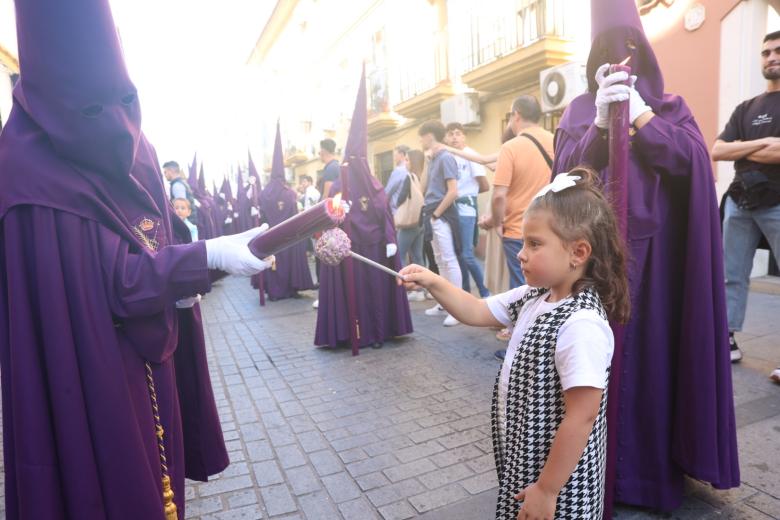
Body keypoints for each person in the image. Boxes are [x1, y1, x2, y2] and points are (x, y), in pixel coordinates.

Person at [0, 0, 274, 517]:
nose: (116, 118)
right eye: (97, 102)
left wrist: (196, 267)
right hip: (84, 369)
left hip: (151, 353)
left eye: (124, 97)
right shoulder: (28, 164)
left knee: (161, 482)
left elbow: (150, 246)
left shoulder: (133, 145)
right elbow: (111, 282)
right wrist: (206, 255)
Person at [553, 0, 740, 513]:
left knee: (651, 365)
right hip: (591, 267)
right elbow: (563, 181)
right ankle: (586, 472)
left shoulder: (672, 108)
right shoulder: (574, 112)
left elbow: (694, 166)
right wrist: (596, 128)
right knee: (591, 369)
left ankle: (646, 474)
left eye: (631, 47)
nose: (620, 58)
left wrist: (642, 118)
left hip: (656, 268)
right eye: (606, 49)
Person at [399, 169, 630, 519]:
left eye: (535, 244)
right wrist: (433, 281)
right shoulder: (535, 296)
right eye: (523, 242)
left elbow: (582, 416)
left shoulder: (581, 324)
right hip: (529, 458)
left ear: (578, 252)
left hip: (561, 484)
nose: (521, 254)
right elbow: (475, 310)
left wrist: (548, 489)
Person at [315, 68, 412, 349]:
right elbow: (326, 217)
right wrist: (336, 213)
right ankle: (353, 333)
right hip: (351, 252)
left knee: (375, 292)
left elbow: (384, 209)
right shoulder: (338, 186)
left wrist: (391, 239)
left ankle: (380, 331)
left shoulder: (374, 185)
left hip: (376, 249)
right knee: (354, 294)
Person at [712, 30, 780, 382]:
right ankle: (728, 340)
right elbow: (717, 150)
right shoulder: (746, 107)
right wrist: (766, 142)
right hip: (740, 201)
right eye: (766, 51)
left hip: (777, 200)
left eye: (777, 51)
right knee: (730, 275)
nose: (771, 57)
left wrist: (744, 147)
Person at [482, 96, 554, 348]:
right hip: (550, 226)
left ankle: (517, 332)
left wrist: (496, 221)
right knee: (544, 282)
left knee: (521, 283)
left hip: (517, 228)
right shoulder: (555, 140)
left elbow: (500, 194)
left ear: (516, 115)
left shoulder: (510, 147)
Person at [259, 122, 316, 301]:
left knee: (275, 263)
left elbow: (261, 217)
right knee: (288, 262)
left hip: (271, 237)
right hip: (289, 238)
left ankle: (275, 292)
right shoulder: (290, 193)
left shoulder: (264, 194)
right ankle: (291, 289)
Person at [419, 120, 462, 327]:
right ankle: (445, 304)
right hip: (432, 212)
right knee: (440, 260)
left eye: (422, 136)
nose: (420, 140)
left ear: (428, 135)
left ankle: (458, 308)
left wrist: (436, 214)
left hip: (440, 213)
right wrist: (427, 162)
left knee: (449, 258)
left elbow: (453, 191)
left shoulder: (445, 157)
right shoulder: (434, 159)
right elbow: (423, 187)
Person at [445, 122, 490, 298]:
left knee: (467, 255)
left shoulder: (471, 155)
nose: (454, 137)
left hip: (466, 211)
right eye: (450, 134)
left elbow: (485, 185)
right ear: (446, 138)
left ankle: (485, 293)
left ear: (464, 136)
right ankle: (463, 294)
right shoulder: (448, 157)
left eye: (458, 133)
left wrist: (468, 195)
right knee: (457, 255)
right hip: (452, 211)